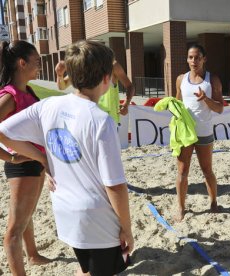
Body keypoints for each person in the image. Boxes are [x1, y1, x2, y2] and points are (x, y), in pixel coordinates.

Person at [0, 40, 134, 276]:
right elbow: (114, 185)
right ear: (106, 78)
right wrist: (127, 228)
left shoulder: (48, 105)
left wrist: (40, 157)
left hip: (65, 211)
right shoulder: (101, 121)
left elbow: (3, 132)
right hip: (97, 218)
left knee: (87, 268)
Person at [0, 40, 51, 275]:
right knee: (14, 228)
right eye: (37, 61)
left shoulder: (26, 90)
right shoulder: (9, 96)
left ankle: (32, 255)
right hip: (22, 166)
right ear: (22, 63)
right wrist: (9, 158)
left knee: (27, 214)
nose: (39, 65)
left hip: (35, 162)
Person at [174, 44, 224, 221]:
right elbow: (177, 104)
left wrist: (206, 99)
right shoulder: (181, 79)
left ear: (204, 59)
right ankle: (180, 207)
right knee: (182, 171)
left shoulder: (212, 80)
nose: (193, 61)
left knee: (207, 170)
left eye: (197, 57)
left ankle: (213, 202)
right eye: (190, 57)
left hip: (204, 132)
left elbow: (219, 109)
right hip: (185, 133)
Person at [55, 58, 135, 125]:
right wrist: (59, 75)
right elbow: (63, 86)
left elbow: (129, 86)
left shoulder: (112, 65)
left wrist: (126, 104)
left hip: (108, 120)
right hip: (85, 118)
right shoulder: (81, 65)